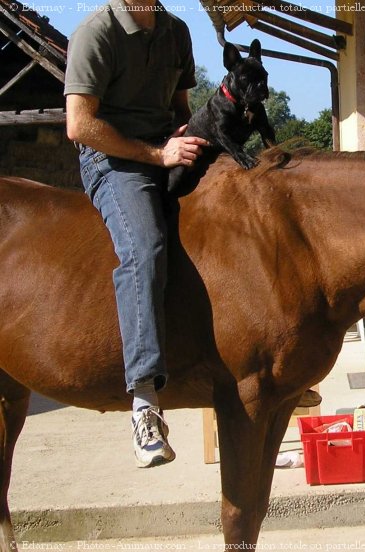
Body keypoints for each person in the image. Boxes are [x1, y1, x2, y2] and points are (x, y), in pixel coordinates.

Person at [64, 0, 209, 468]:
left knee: (248, 207)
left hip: (165, 148)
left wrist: (199, 139)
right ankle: (145, 403)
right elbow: (79, 125)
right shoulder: (95, 33)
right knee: (146, 249)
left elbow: (179, 108)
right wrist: (158, 155)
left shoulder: (177, 31)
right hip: (112, 162)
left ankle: (272, 362)